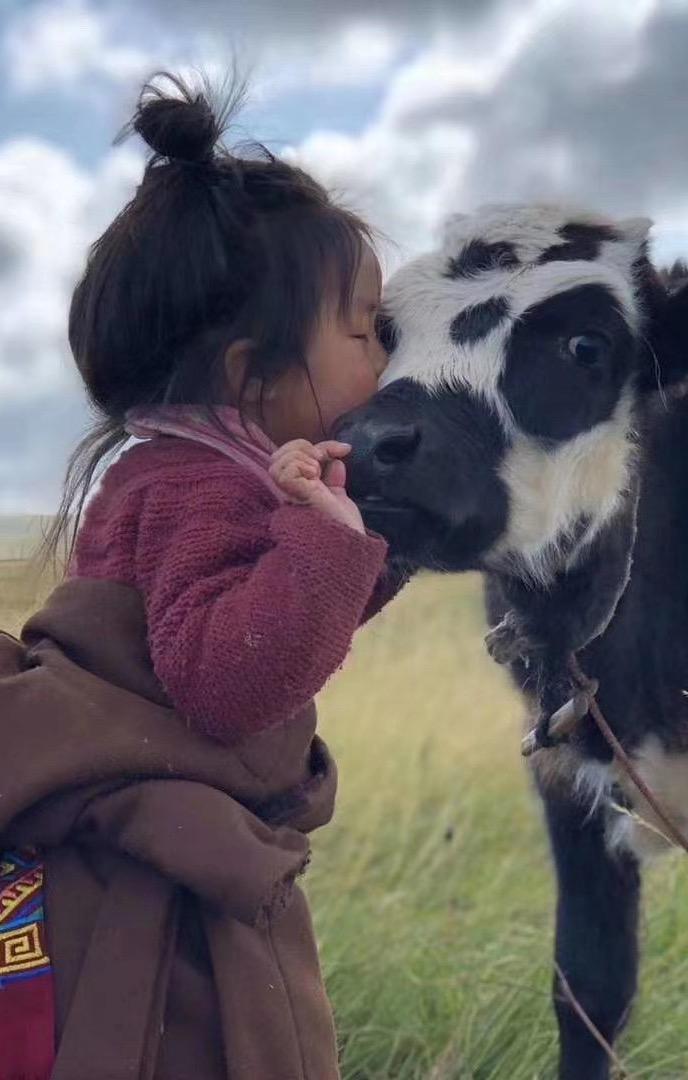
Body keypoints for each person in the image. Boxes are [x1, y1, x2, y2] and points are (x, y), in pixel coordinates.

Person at [0, 73, 405, 1079]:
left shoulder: (172, 473)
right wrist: (328, 543)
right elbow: (227, 684)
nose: (384, 360)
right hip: (161, 922)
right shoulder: (198, 491)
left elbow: (258, 619)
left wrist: (353, 546)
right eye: (363, 331)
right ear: (247, 375)